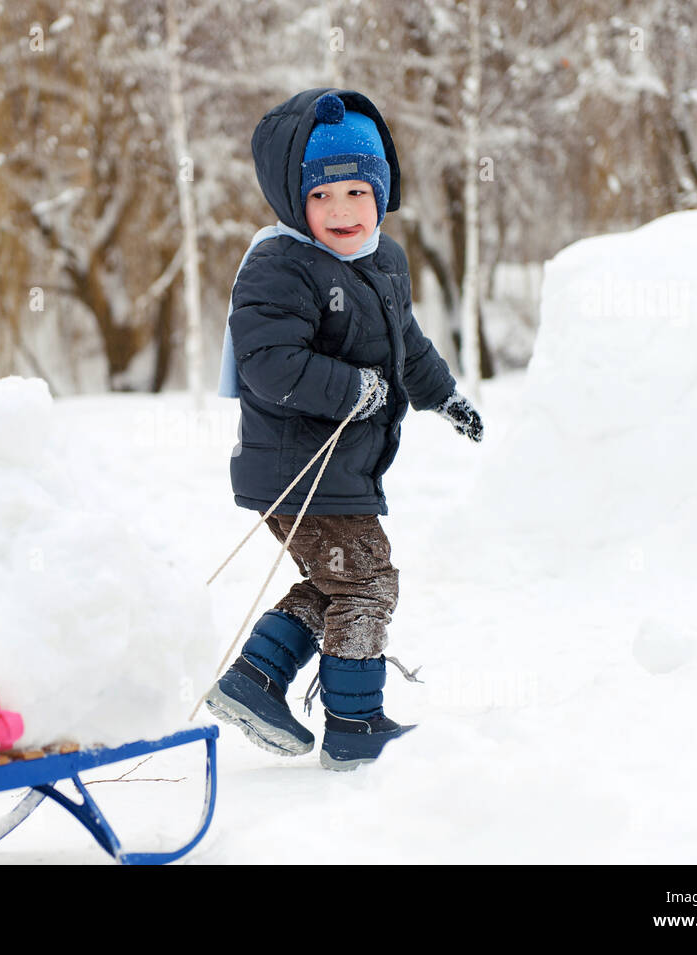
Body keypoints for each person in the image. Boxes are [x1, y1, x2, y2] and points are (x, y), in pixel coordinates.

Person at [205, 88, 484, 771]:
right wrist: (349, 389)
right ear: (296, 201)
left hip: (342, 469)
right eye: (323, 197)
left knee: (337, 581)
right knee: (366, 583)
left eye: (358, 193)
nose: (342, 213)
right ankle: (354, 721)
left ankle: (256, 679)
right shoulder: (279, 265)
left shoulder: (383, 262)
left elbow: (405, 344)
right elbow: (271, 362)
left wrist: (441, 395)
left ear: (381, 195)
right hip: (297, 467)